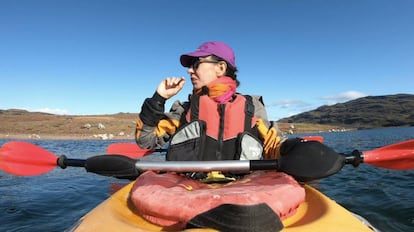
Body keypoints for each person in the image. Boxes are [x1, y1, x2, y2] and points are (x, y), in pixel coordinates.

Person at [135, 41, 284, 162]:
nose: (189, 71)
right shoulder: (184, 111)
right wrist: (158, 99)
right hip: (189, 192)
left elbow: (275, 146)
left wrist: (293, 150)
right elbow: (145, 141)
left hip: (241, 190)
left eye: (196, 64)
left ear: (220, 68)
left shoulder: (252, 107)